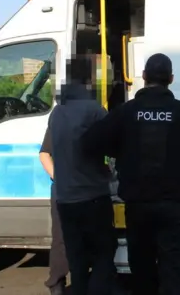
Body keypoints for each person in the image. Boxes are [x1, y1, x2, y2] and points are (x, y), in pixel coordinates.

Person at [87, 53, 180, 295]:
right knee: (174, 269)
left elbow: (92, 141)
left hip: (139, 206)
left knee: (142, 271)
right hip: (175, 205)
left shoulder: (127, 112)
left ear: (144, 77)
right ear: (171, 79)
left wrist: (119, 152)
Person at [50, 57, 118, 295]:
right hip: (93, 197)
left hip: (66, 200)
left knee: (77, 259)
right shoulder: (95, 111)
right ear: (89, 79)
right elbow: (111, 148)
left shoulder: (56, 113)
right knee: (103, 254)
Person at [39, 126, 70, 295]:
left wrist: (58, 179)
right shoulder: (95, 114)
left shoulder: (58, 117)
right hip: (86, 188)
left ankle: (57, 283)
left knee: (60, 238)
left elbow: (44, 155)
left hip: (63, 190)